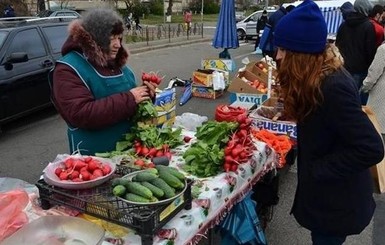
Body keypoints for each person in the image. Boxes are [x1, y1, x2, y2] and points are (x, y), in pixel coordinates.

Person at [273, 0, 384, 244]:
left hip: (337, 202)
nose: (277, 55)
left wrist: (319, 170)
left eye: (283, 49)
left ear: (300, 54)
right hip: (327, 197)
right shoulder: (317, 78)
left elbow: (371, 147)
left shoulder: (333, 87)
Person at [51, 8, 157, 155]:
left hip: (128, 152)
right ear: (95, 37)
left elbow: (131, 104)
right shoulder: (68, 68)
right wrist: (130, 98)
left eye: (119, 38)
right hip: (93, 159)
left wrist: (145, 95)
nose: (118, 44)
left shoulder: (118, 65)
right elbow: (81, 114)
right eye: (112, 37)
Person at [336, 0, 376, 105]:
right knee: (357, 101)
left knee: (343, 97)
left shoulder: (344, 25)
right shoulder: (368, 26)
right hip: (360, 69)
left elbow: (337, 45)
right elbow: (370, 50)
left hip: (343, 67)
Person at [361, 39, 385, 140]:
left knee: (376, 132)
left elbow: (373, 75)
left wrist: (364, 87)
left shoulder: (383, 49)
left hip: (380, 98)